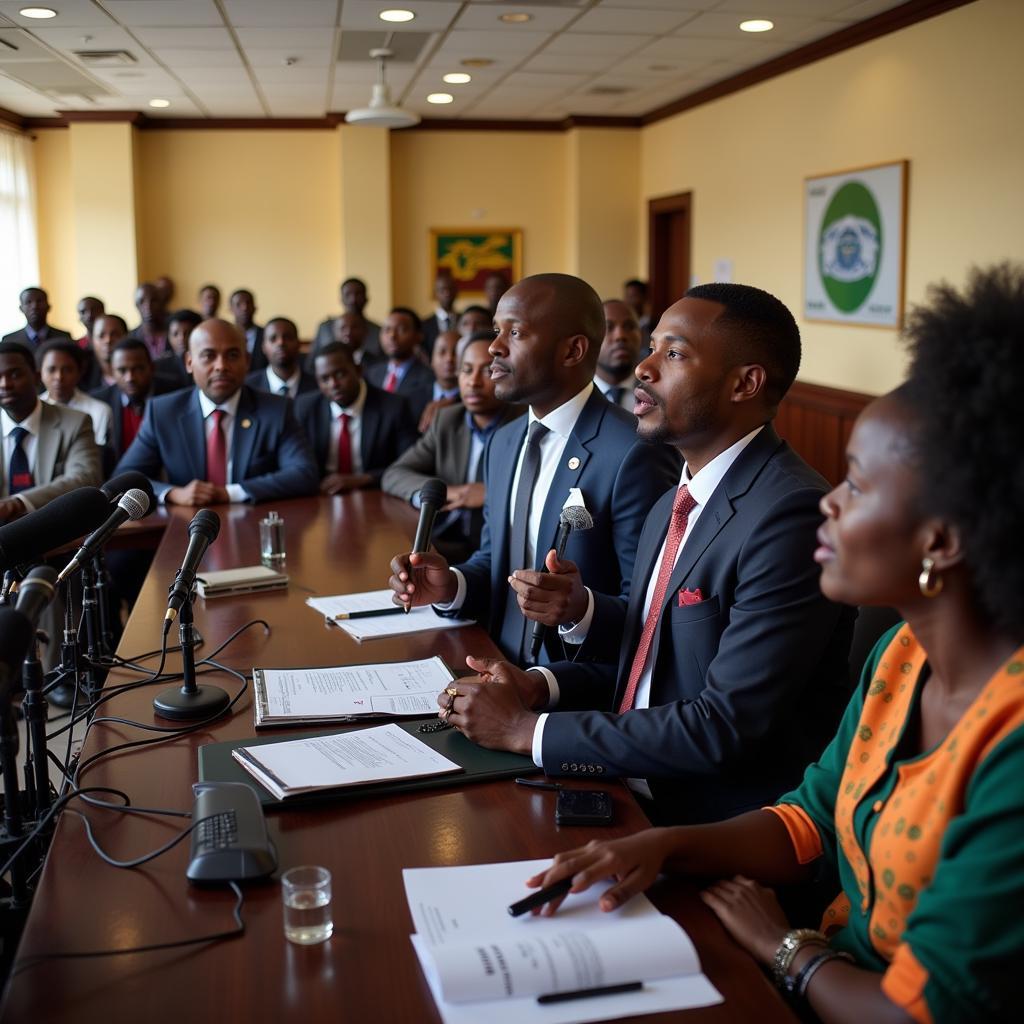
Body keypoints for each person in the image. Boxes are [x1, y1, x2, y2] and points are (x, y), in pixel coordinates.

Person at [524, 264, 1024, 1024]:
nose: (828, 497)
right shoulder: (902, 660)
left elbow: (920, 1014)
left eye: (856, 484)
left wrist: (788, 949)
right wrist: (664, 848)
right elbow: (810, 817)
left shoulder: (1011, 744)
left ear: (941, 540)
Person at [436, 283, 854, 825]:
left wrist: (525, 730)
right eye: (652, 347)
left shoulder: (789, 515)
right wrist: (539, 685)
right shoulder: (675, 501)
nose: (644, 368)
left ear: (744, 383)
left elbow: (719, 725)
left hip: (711, 820)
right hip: (626, 780)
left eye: (673, 354)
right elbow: (647, 665)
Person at [388, 272, 681, 667]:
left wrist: (580, 612)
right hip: (492, 663)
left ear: (573, 351)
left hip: (571, 688)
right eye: (496, 331)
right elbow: (498, 562)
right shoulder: (505, 441)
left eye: (515, 333)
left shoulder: (634, 450)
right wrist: (450, 586)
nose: (493, 347)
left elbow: (649, 608)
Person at [115, 319, 318, 505]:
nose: (221, 366)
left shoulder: (276, 409)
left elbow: (304, 474)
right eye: (208, 356)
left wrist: (229, 493)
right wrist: (173, 493)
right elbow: (123, 478)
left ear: (247, 361)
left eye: (232, 355)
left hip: (254, 526)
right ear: (189, 363)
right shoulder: (163, 412)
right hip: (185, 530)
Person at [382, 331, 525, 563]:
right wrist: (449, 492)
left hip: (500, 555)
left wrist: (491, 494)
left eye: (488, 371)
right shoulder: (447, 420)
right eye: (467, 370)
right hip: (442, 545)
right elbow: (394, 474)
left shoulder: (526, 424)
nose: (473, 382)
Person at [296, 342, 417, 496]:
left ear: (359, 370)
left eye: (340, 374)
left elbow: (409, 463)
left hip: (375, 494)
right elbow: (297, 463)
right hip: (321, 495)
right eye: (325, 379)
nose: (333, 384)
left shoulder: (394, 407)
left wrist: (363, 479)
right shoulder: (305, 408)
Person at [0, 340, 101, 522]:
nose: (5, 384)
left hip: (55, 533)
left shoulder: (75, 422)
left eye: (15, 374)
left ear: (37, 377)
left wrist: (17, 502)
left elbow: (85, 478)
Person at [92, 338, 177, 464]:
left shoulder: (174, 394)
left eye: (138, 369)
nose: (130, 378)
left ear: (152, 367)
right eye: (122, 370)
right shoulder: (100, 402)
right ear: (112, 372)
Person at [364, 308, 435, 425]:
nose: (392, 336)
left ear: (418, 336)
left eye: (401, 330)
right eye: (387, 330)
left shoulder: (428, 378)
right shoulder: (372, 374)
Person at [38, 340, 113, 447]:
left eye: (67, 370)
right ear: (40, 373)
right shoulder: (33, 410)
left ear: (80, 372)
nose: (59, 377)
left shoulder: (99, 411)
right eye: (51, 370)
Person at [245, 317, 317, 399]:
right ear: (263, 347)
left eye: (288, 337)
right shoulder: (248, 387)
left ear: (298, 344)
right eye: (273, 339)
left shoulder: (317, 385)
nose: (280, 343)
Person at [313, 278, 382, 359]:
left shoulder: (378, 331)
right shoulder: (325, 328)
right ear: (341, 299)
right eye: (348, 294)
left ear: (366, 298)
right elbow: (311, 364)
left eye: (358, 294)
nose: (353, 300)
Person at [593, 299, 643, 412]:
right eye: (608, 327)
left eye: (629, 327)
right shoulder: (571, 398)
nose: (620, 336)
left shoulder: (658, 398)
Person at [418, 330, 461, 432]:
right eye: (442, 352)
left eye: (456, 353)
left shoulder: (474, 401)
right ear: (431, 360)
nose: (449, 359)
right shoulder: (413, 399)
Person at [2, 287, 72, 348]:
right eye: (28, 302)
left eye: (39, 301)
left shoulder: (64, 338)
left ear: (48, 307)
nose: (34, 306)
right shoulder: (9, 341)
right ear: (21, 308)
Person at [153, 308, 199, 389]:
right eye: (175, 334)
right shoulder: (159, 367)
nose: (181, 338)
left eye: (188, 333)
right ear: (168, 337)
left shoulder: (206, 363)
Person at [80, 313, 127, 392]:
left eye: (115, 335)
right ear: (92, 341)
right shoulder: (82, 375)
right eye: (101, 335)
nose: (108, 340)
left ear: (126, 337)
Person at [126, 282, 169, 359]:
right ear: (137, 305)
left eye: (154, 301)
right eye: (142, 301)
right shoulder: (131, 337)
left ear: (161, 303)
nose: (148, 306)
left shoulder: (175, 333)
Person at [421, 271, 459, 355]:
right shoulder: (424, 325)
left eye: (450, 288)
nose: (447, 293)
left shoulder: (465, 321)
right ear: (435, 293)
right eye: (442, 289)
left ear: (456, 291)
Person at [229, 288, 266, 372]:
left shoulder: (267, 335)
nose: (244, 308)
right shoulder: (223, 335)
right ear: (231, 309)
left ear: (255, 307)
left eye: (248, 303)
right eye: (239, 304)